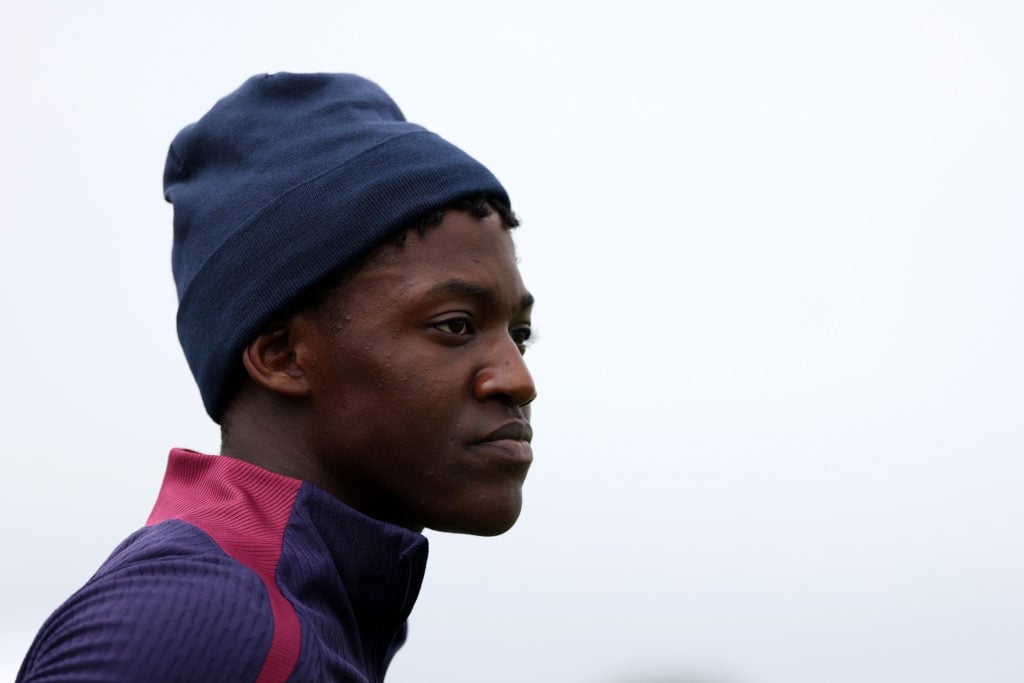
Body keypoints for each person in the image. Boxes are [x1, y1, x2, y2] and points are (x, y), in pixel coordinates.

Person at [17, 72, 536, 682]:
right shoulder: (197, 622)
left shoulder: (295, 617)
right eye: (454, 325)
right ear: (283, 355)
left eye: (519, 334)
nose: (517, 379)